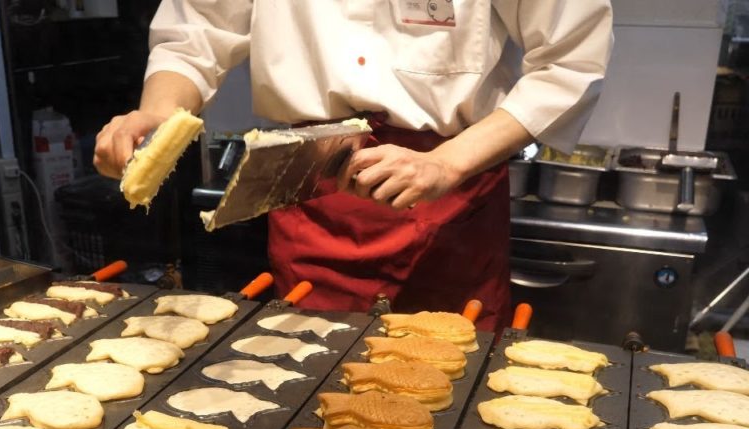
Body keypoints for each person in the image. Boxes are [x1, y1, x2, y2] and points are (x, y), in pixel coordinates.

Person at [94, 1, 613, 331]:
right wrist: (159, 112)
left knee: (450, 397)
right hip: (314, 196)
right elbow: (197, 30)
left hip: (450, 197)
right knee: (313, 391)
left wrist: (447, 164)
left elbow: (571, 62)